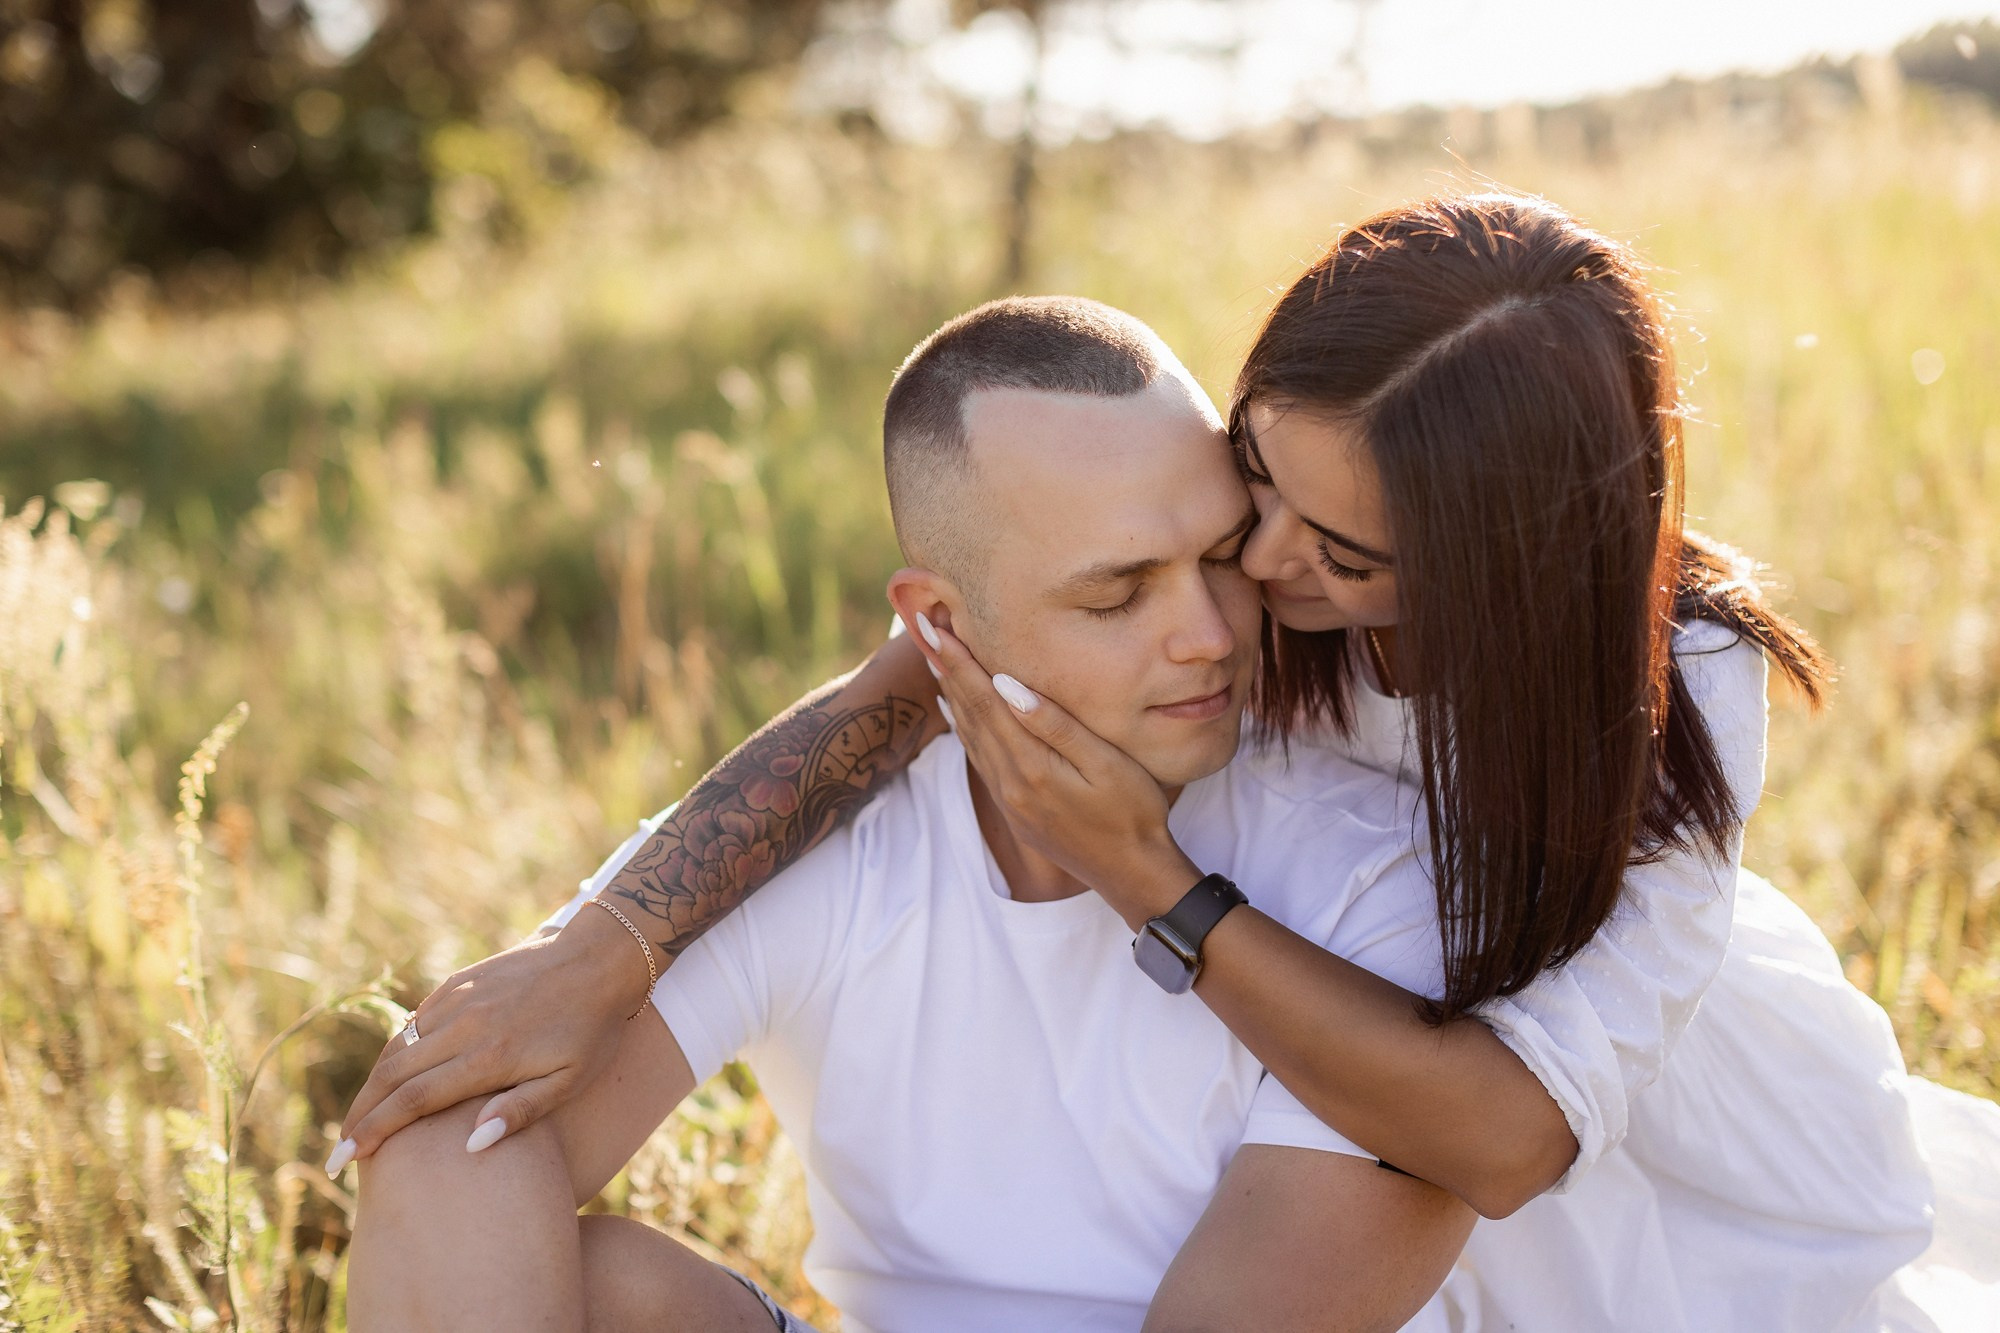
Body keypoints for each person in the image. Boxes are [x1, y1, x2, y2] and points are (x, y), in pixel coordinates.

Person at [337, 193, 2000, 1329]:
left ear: (1479, 564)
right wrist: (609, 945)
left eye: (1332, 551)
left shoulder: (1655, 689)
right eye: (1247, 481)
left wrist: (1152, 880)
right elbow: (898, 689)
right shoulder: (1220, 571)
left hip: (1612, 1131)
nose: (1249, 581)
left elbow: (1500, 1135)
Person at [345, 297, 1475, 1332]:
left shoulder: (1377, 866)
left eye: (1223, 558)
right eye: (1117, 593)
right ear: (938, 621)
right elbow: (454, 1135)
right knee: (582, 1269)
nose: (1210, 636)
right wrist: (584, 962)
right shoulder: (807, 841)